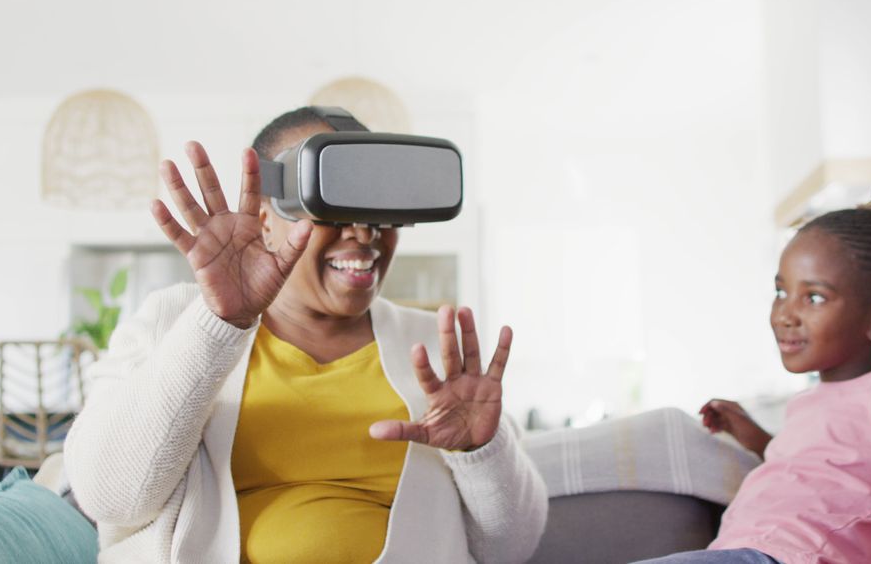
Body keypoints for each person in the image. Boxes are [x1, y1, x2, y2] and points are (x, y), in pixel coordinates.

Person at [64, 107, 548, 563]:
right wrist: (218, 325)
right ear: (263, 219)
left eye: (376, 206)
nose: (363, 233)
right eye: (331, 204)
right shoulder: (173, 320)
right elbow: (110, 497)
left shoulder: (437, 349)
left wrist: (479, 453)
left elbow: (511, 549)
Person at [641, 184, 871, 563]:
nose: (784, 314)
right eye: (781, 292)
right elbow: (819, 471)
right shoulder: (805, 404)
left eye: (813, 297)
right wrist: (757, 439)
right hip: (745, 550)